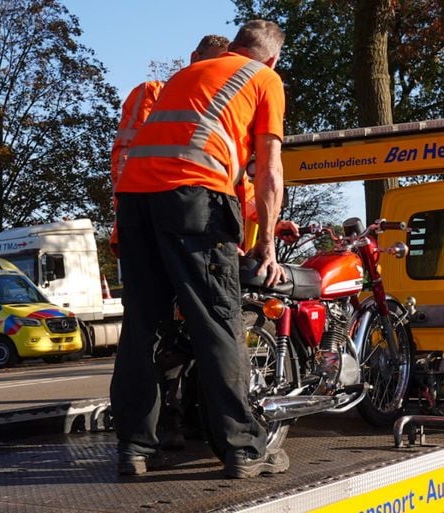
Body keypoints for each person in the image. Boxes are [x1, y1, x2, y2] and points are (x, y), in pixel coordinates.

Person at [111, 20, 291, 479]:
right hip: (194, 201)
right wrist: (266, 243)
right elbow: (268, 170)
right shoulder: (265, 78)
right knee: (217, 323)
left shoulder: (183, 77)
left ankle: (134, 449)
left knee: (142, 327)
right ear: (270, 58)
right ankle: (242, 449)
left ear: (231, 47)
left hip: (133, 201)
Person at [109, 34, 231, 257]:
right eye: (212, 63)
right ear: (195, 57)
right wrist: (127, 218)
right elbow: (125, 161)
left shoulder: (224, 109)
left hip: (203, 224)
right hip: (157, 220)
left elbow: (237, 175)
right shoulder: (153, 93)